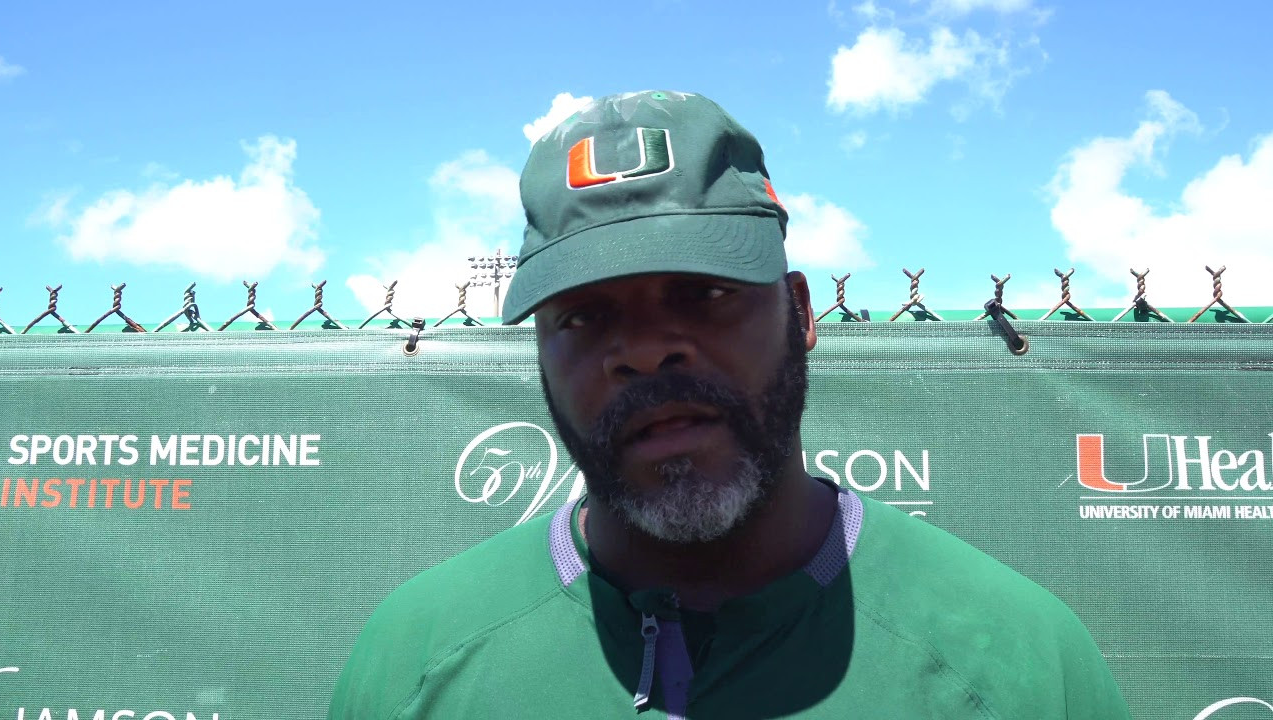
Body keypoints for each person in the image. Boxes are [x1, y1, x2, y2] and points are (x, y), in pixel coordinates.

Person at [328, 90, 1130, 719]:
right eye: (583, 314)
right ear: (539, 347)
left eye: (704, 290)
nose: (644, 349)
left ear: (802, 313)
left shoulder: (1021, 663)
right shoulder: (413, 661)